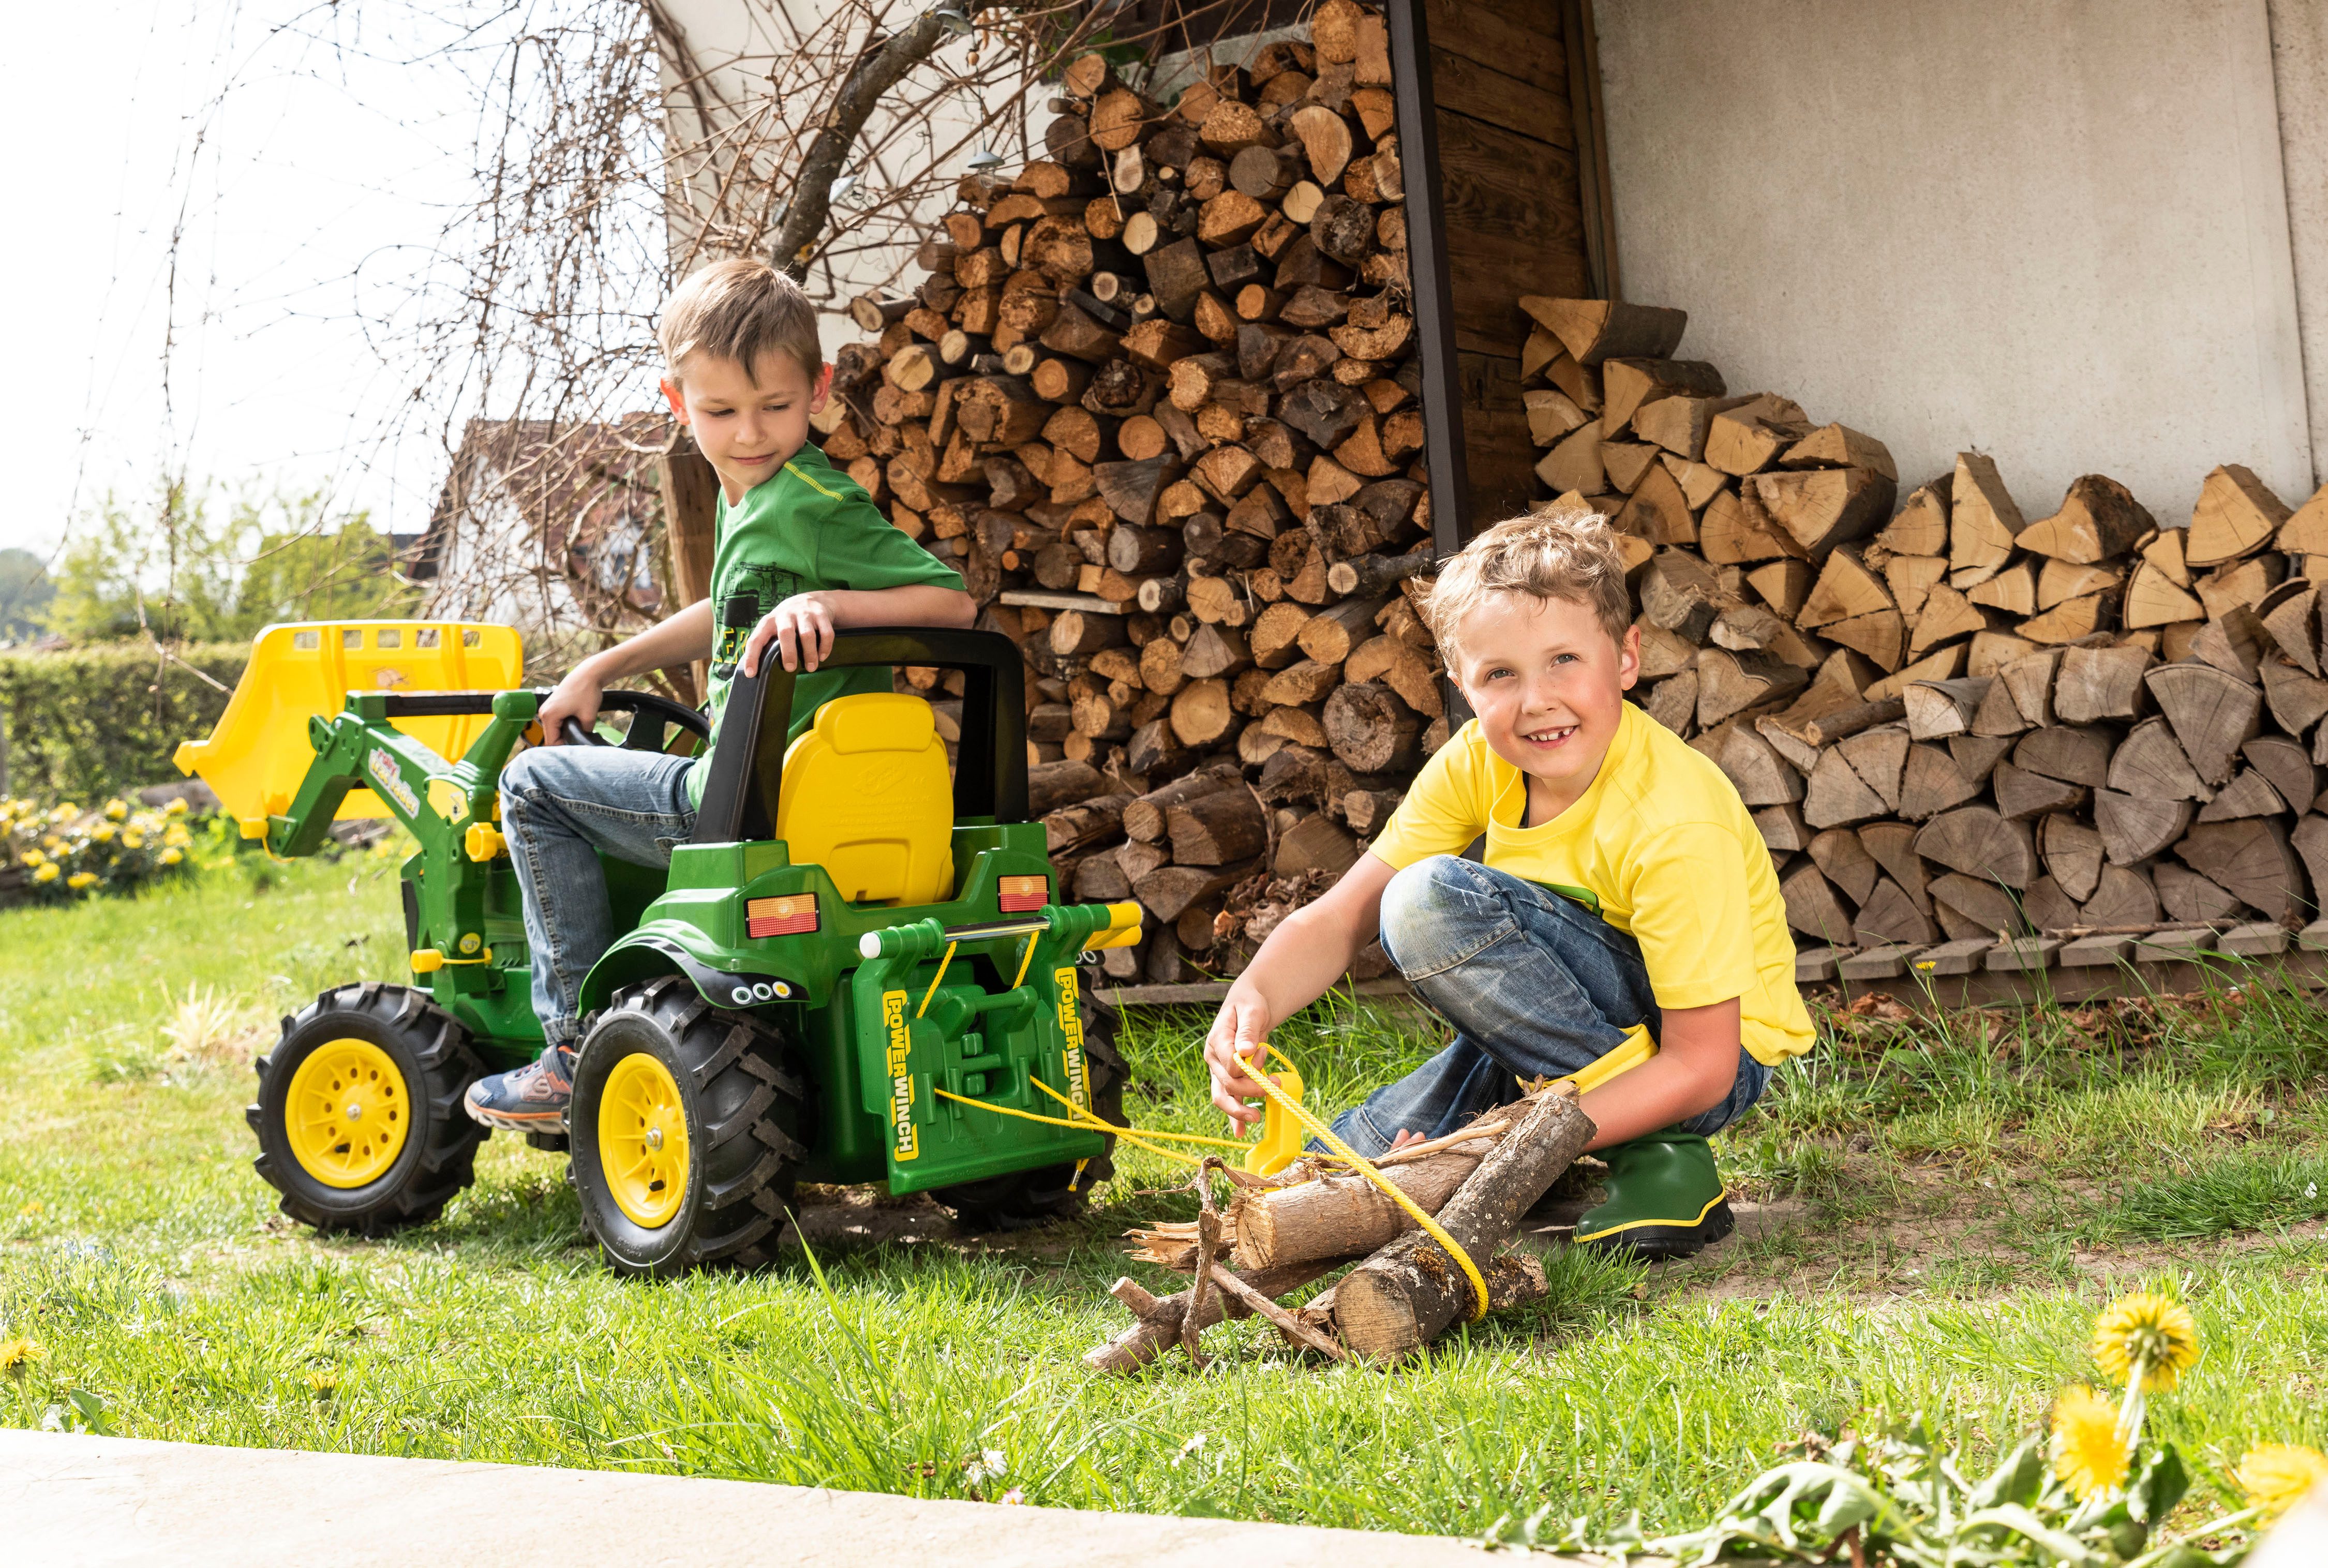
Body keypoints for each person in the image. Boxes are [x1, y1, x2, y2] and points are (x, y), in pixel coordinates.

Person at [1202, 502, 1813, 1258]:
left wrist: (1512, 1144)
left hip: (1709, 1067)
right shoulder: (1478, 761)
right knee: (1355, 1174)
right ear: (1462, 683)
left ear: (1626, 657)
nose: (1536, 701)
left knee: (1427, 902)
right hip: (1548, 1039)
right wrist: (1251, 999)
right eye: (1500, 675)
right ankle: (1562, 1148)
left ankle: (1659, 1157)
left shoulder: (1674, 820)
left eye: (1564, 660)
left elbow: (1703, 1065)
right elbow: (1339, 919)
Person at [465, 258, 976, 1131]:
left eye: (775, 408)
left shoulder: (815, 501)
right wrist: (600, 668)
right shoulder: (755, 501)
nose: (749, 433)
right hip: (784, 791)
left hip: (741, 802)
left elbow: (953, 603)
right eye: (721, 412)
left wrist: (833, 606)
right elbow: (726, 612)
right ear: (677, 404)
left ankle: (570, 1047)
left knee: (531, 787)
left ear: (816, 393)